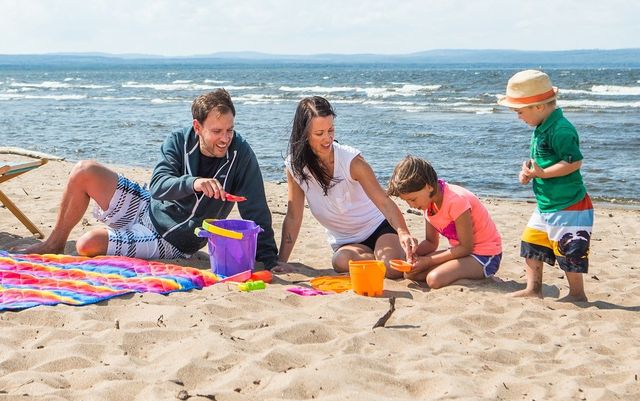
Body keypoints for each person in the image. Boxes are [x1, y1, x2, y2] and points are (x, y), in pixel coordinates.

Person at [23, 89, 280, 270]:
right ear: (197, 127)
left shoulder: (240, 154)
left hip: (174, 240)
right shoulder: (179, 140)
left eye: (230, 130)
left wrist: (269, 259)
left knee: (86, 244)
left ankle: (117, 236)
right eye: (217, 131)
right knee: (83, 170)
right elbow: (158, 185)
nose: (225, 138)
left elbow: (255, 206)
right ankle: (53, 243)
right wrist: (194, 182)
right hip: (148, 205)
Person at [278, 96, 417, 278]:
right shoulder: (295, 168)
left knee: (391, 270)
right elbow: (294, 217)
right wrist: (281, 261)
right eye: (319, 134)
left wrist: (403, 232)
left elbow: (383, 202)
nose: (327, 139)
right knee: (340, 262)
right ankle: (383, 255)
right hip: (347, 243)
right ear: (303, 134)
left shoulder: (352, 161)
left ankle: (398, 247)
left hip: (378, 228)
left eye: (331, 130)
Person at [497, 69, 593, 302]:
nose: (518, 117)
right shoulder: (542, 126)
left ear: (538, 107)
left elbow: (574, 161)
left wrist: (543, 173)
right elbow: (543, 162)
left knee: (569, 249)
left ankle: (577, 294)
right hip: (547, 204)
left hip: (569, 204)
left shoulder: (560, 129)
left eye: (520, 112)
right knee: (531, 242)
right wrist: (530, 173)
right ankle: (533, 288)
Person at [387, 156, 503, 289]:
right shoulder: (429, 204)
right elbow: (431, 243)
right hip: (460, 252)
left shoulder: (456, 201)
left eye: (413, 199)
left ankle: (479, 280)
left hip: (484, 256)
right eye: (407, 201)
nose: (411, 205)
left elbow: (466, 247)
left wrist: (427, 261)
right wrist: (412, 253)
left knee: (434, 279)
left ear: (428, 187)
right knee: (410, 274)